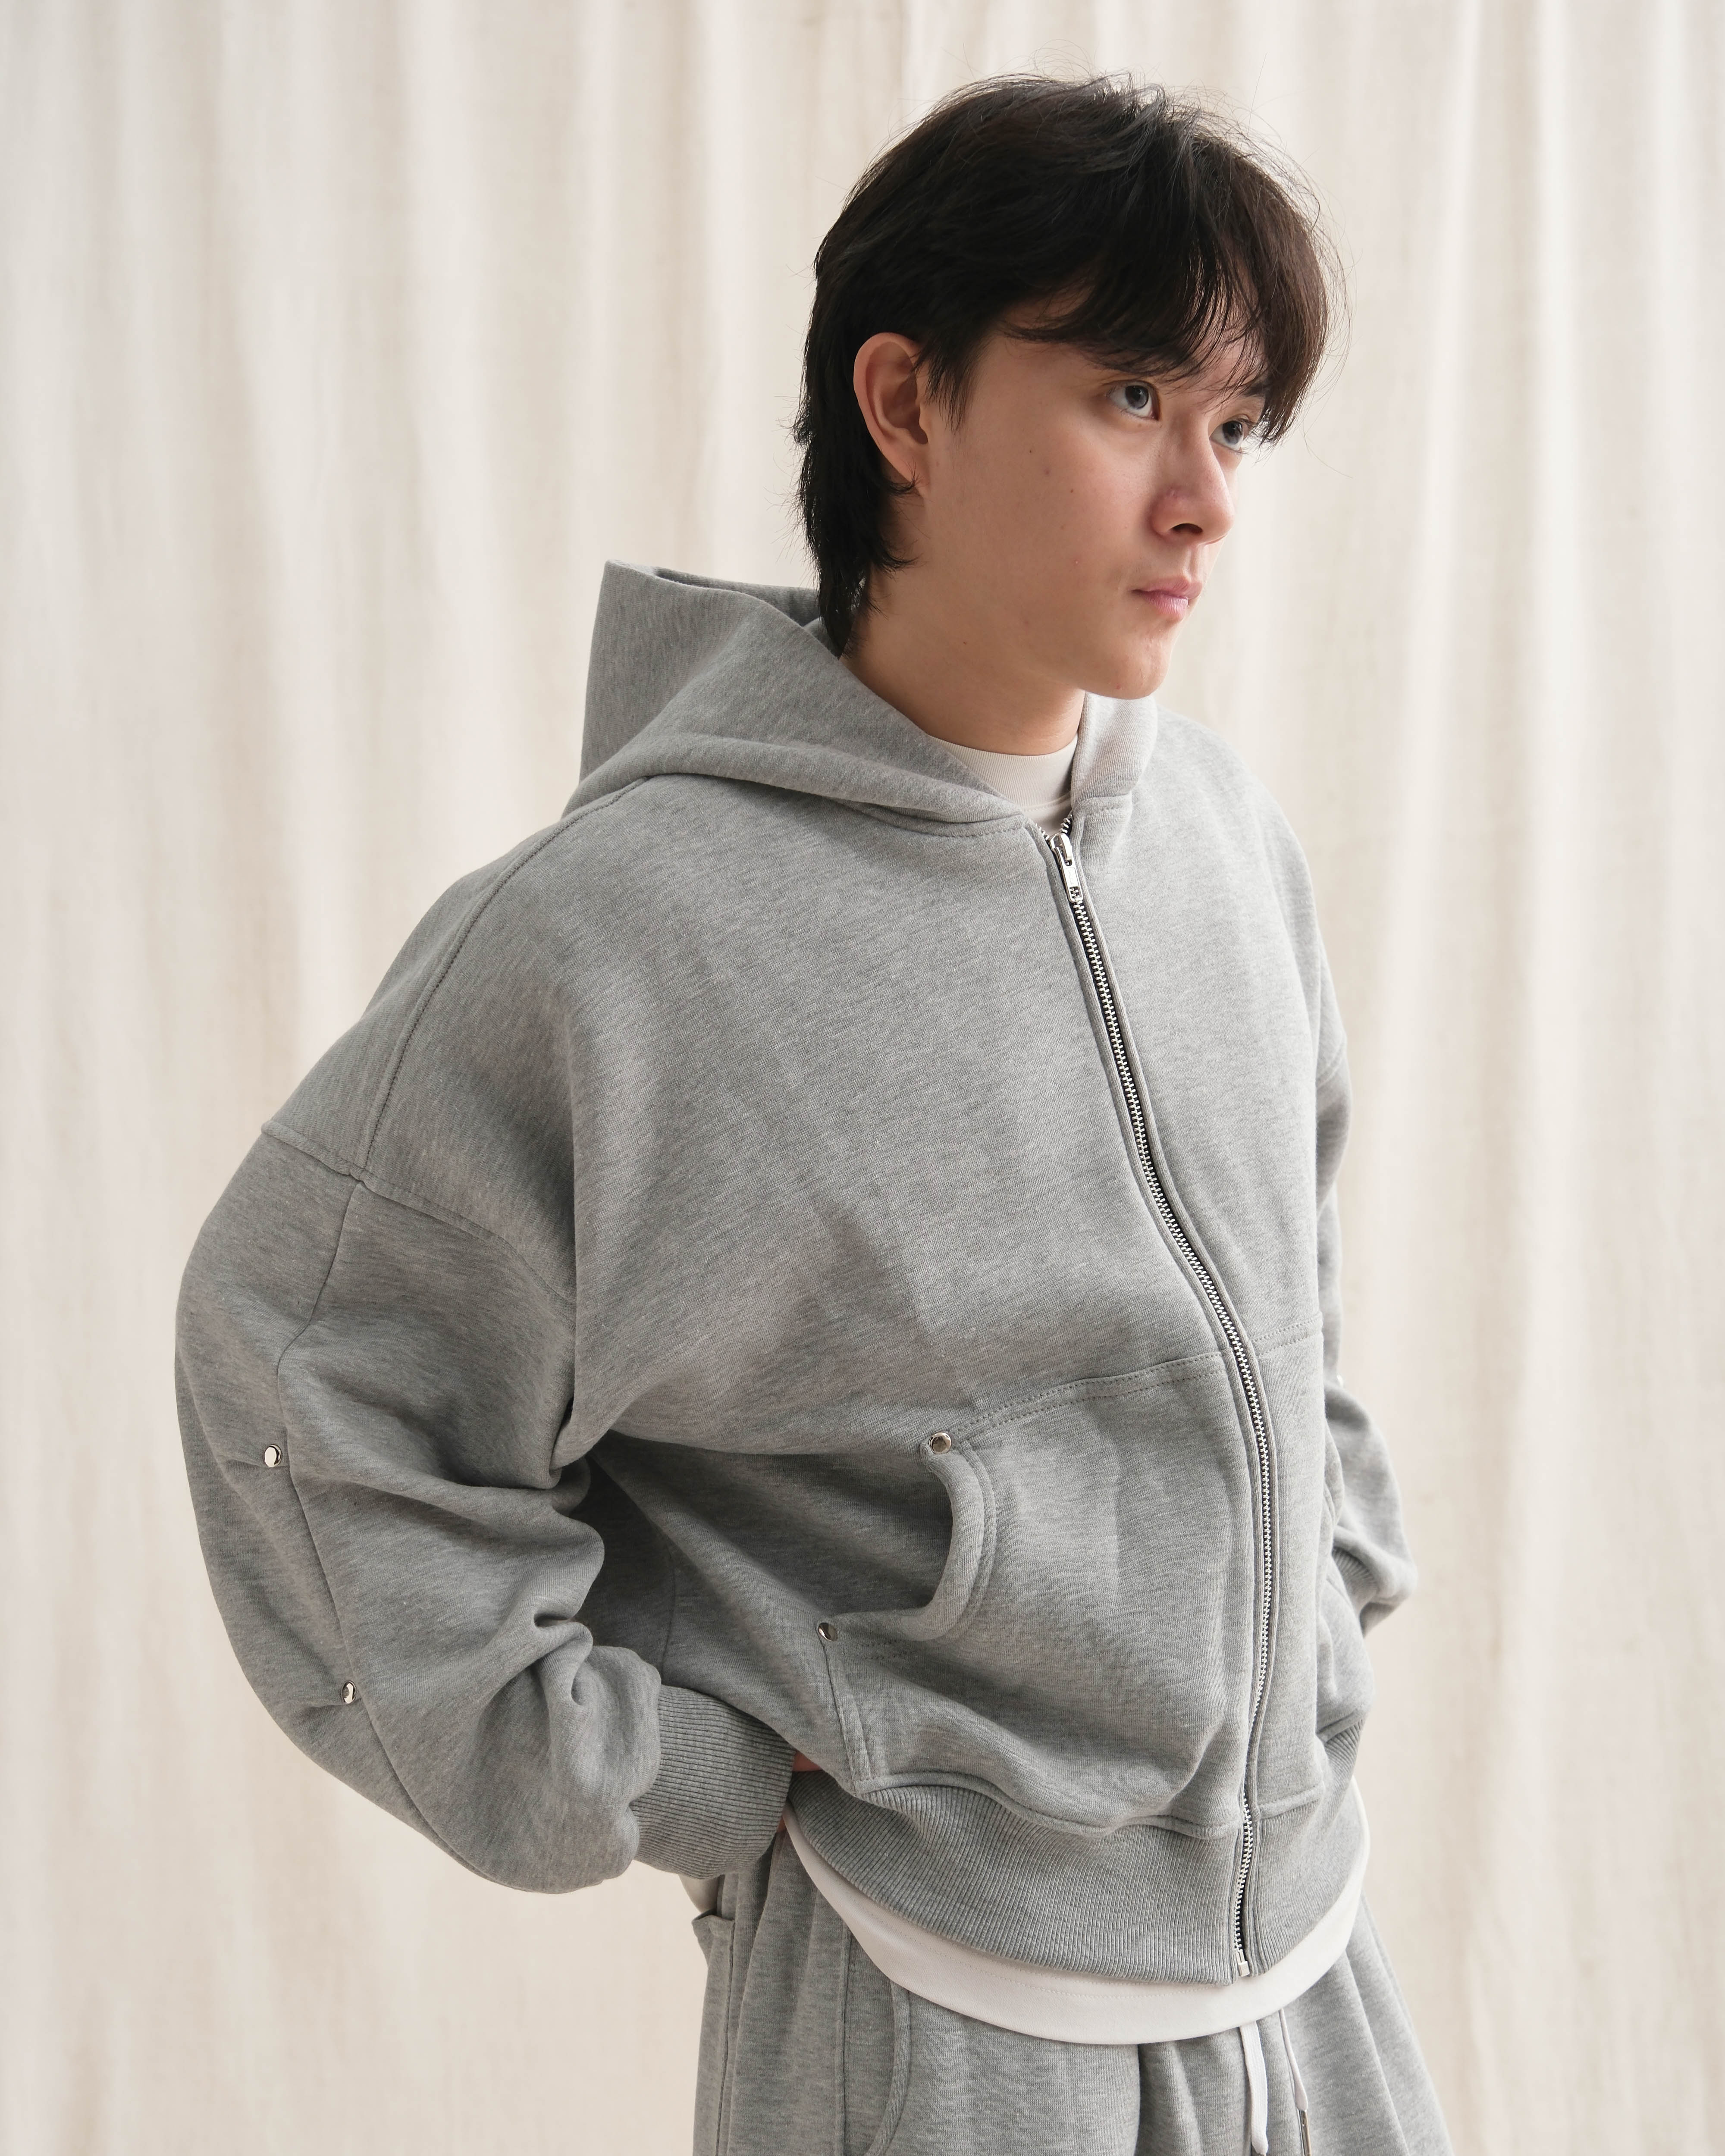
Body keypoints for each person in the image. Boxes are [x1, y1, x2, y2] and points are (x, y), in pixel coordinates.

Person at [176, 73, 1451, 2156]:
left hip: (1309, 1960)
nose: (1203, 500)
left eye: (1236, 425)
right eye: (1131, 396)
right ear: (904, 401)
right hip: (935, 2006)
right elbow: (299, 1371)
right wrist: (645, 1766)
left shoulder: (1224, 839)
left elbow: (1284, 1282)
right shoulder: (621, 932)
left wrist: (1325, 1572)